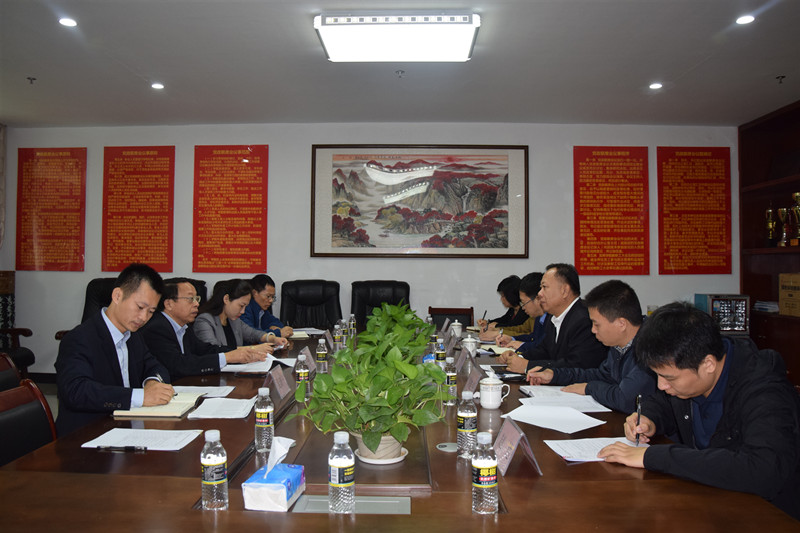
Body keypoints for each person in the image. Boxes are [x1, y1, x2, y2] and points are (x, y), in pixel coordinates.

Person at [597, 302, 800, 521]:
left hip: (768, 515)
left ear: (708, 364)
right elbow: (664, 403)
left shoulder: (766, 393)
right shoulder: (690, 379)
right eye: (657, 375)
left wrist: (654, 456)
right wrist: (648, 418)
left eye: (668, 377)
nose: (661, 385)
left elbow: (764, 471)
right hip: (709, 502)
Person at [55, 263, 174, 436]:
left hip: (125, 427)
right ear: (117, 295)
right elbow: (76, 391)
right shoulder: (79, 338)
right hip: (86, 435)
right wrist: (140, 396)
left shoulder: (133, 336)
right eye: (140, 307)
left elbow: (155, 366)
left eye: (151, 311)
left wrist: (152, 382)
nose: (143, 317)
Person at [526, 280, 655, 412]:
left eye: (596, 324)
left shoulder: (651, 348)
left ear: (621, 324)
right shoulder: (618, 346)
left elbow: (626, 399)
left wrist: (589, 388)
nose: (593, 330)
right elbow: (602, 375)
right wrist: (555, 375)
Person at [141, 278, 273, 381]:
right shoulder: (156, 328)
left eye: (197, 299)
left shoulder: (184, 327)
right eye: (190, 299)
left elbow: (205, 349)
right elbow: (179, 365)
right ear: (169, 304)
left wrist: (239, 353)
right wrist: (227, 357)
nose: (196, 304)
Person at [502, 263, 605, 374]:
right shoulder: (553, 317)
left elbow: (576, 364)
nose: (539, 293)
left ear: (564, 291)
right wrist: (518, 356)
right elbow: (544, 350)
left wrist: (528, 366)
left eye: (544, 287)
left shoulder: (584, 319)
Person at [194, 279, 287, 348]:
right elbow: (213, 351)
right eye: (241, 306)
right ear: (226, 299)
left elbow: (253, 334)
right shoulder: (204, 321)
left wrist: (272, 339)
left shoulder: (233, 320)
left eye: (245, 307)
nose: (243, 311)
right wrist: (253, 349)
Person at [494, 272, 548, 356]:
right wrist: (512, 339)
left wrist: (522, 345)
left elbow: (544, 347)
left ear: (538, 299)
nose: (522, 307)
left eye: (523, 302)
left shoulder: (552, 318)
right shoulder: (539, 317)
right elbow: (532, 337)